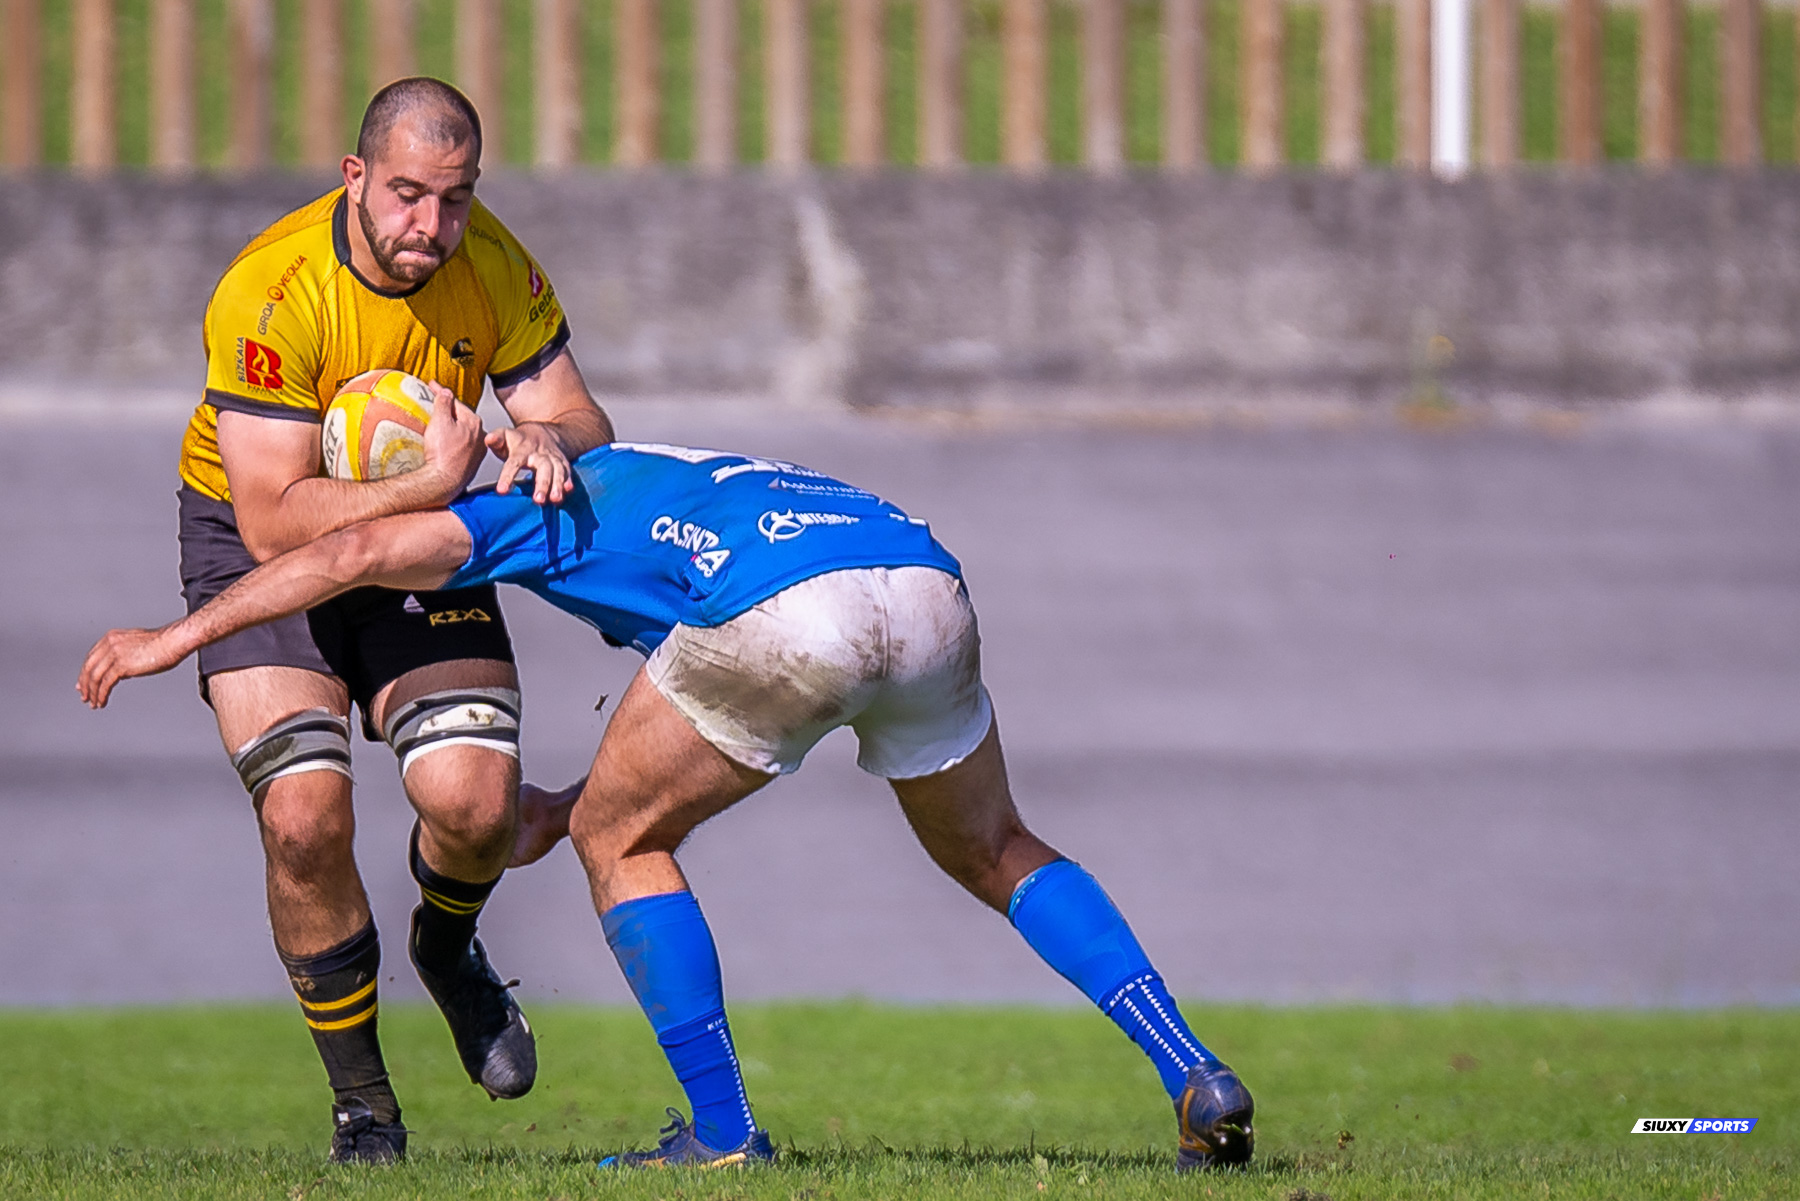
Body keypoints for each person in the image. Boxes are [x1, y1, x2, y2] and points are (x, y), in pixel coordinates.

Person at [82, 395, 1255, 1173]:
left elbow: (342, 553)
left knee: (623, 843)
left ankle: (724, 1133)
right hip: (915, 571)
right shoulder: (656, 467)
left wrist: (172, 639)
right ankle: (1195, 1072)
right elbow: (691, 685)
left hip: (784, 606)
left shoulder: (505, 505)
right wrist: (573, 802)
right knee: (996, 847)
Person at [170, 76, 612, 1161]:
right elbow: (275, 520)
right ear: (355, 176)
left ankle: (447, 946)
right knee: (304, 817)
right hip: (259, 542)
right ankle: (365, 1106)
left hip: (414, 533)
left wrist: (547, 438)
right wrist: (439, 481)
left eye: (455, 198)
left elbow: (579, 411)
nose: (431, 225)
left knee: (475, 804)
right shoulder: (273, 288)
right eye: (408, 194)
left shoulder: (492, 261)